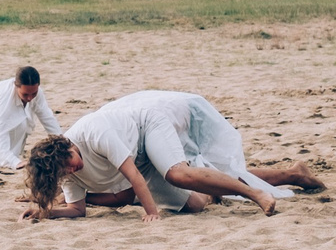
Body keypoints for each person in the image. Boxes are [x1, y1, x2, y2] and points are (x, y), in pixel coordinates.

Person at [16, 91, 319, 221]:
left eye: (68, 162)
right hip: (141, 164)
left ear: (67, 146)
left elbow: (133, 178)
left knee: (177, 173)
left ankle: (256, 194)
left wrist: (152, 213)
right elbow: (79, 209)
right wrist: (46, 211)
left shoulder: (93, 132)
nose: (72, 170)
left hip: (147, 129)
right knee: (197, 203)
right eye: (64, 172)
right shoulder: (66, 173)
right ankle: (293, 173)